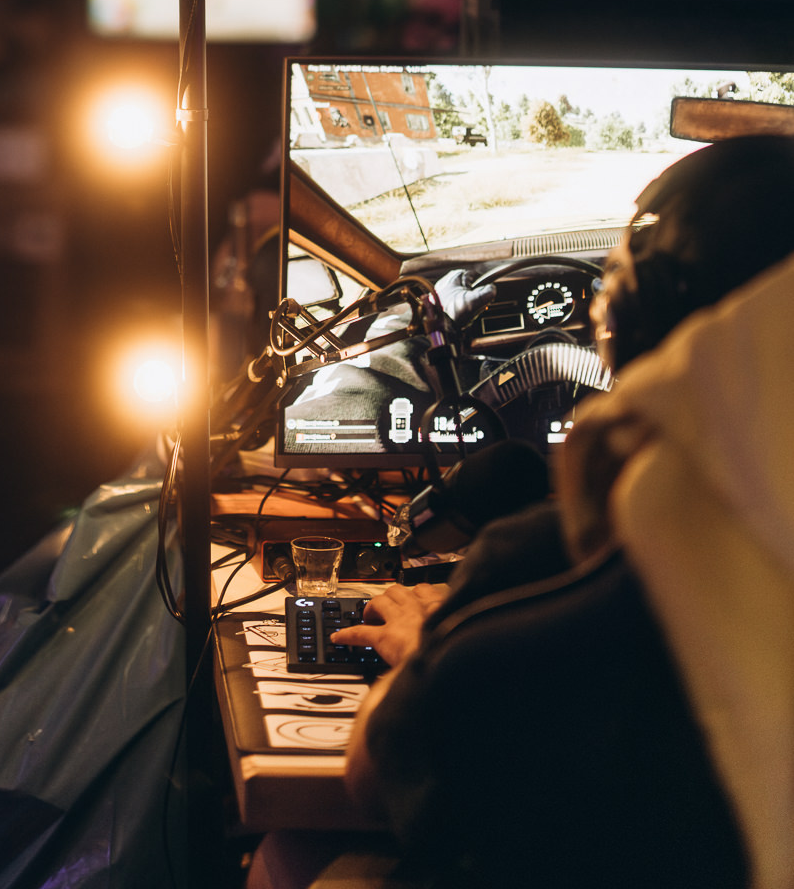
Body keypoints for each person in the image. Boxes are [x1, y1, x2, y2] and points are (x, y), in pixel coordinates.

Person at [253, 133, 794, 889]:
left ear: (633, 317)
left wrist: (432, 641)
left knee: (287, 855)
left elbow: (370, 776)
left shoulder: (555, 560)